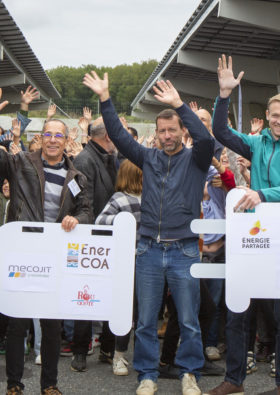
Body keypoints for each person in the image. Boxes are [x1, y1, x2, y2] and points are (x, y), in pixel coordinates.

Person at [83, 72, 213, 395]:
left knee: (188, 320)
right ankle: (147, 375)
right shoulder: (148, 158)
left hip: (184, 250)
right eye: (162, 131)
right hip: (149, 250)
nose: (167, 135)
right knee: (145, 321)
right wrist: (105, 99)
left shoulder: (197, 160)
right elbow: (118, 135)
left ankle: (189, 373)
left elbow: (208, 140)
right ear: (155, 134)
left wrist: (180, 106)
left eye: (172, 130)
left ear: (183, 131)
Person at [206, 55, 280, 395]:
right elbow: (221, 131)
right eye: (276, 116)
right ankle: (234, 379)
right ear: (267, 117)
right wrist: (223, 95)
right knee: (239, 312)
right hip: (252, 238)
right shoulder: (257, 142)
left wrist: (260, 194)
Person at [0, 85, 91, 395]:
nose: (53, 140)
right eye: (48, 134)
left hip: (55, 256)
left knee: (52, 325)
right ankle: (14, 384)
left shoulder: (77, 177)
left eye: (59, 135)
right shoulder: (20, 164)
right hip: (23, 252)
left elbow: (86, 210)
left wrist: (77, 220)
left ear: (67, 140)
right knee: (17, 323)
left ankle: (50, 384)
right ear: (41, 138)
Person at [70, 115, 119, 369]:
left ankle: (108, 348)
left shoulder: (108, 156)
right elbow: (83, 200)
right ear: (108, 136)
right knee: (85, 298)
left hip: (109, 236)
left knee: (111, 296)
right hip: (91, 238)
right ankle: (80, 350)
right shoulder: (84, 159)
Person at [96, 159, 144, 377]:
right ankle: (119, 355)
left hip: (148, 262)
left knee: (145, 313)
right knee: (128, 310)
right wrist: (124, 221)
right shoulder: (120, 198)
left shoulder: (151, 196)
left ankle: (142, 357)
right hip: (127, 264)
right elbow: (100, 221)